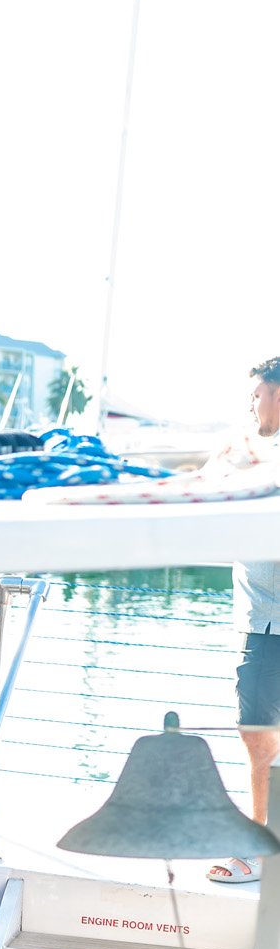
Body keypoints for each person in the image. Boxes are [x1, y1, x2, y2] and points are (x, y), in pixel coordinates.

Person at [199, 356, 280, 883]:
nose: (250, 403)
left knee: (257, 733)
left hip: (268, 622)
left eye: (257, 394)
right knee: (258, 734)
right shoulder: (243, 447)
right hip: (262, 619)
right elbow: (202, 490)